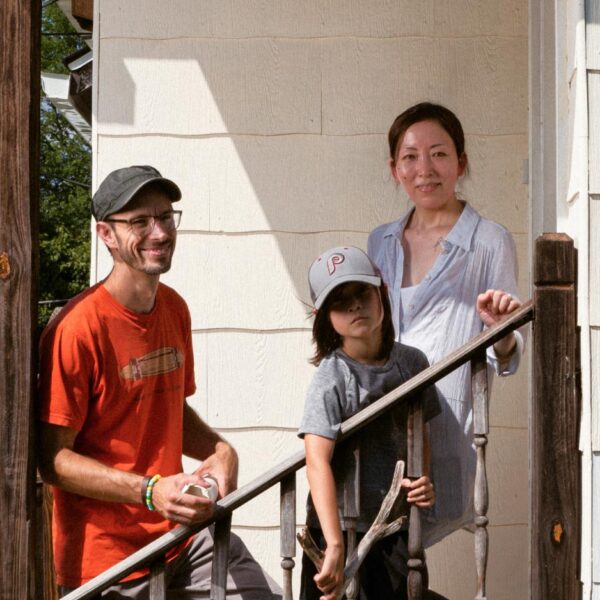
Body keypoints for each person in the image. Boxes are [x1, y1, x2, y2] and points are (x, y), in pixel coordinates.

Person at [38, 165, 282, 599]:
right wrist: (150, 491)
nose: (159, 231)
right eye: (139, 222)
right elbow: (53, 460)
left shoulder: (174, 308)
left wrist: (220, 450)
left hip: (183, 542)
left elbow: (168, 409)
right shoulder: (77, 328)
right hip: (108, 562)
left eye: (166, 217)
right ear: (106, 234)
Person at [368, 102, 526, 547]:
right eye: (410, 156)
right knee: (375, 554)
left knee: (402, 551)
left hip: (447, 427)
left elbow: (509, 354)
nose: (425, 169)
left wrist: (502, 331)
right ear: (394, 168)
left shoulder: (488, 240)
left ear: (461, 162)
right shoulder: (379, 241)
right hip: (383, 426)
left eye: (438, 154)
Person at [298, 246, 445, 600]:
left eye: (362, 292)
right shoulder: (332, 376)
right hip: (336, 527)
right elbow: (316, 459)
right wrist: (333, 543)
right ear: (324, 317)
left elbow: (419, 428)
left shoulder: (411, 363)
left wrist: (421, 478)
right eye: (340, 301)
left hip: (392, 528)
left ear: (380, 292)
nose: (354, 306)